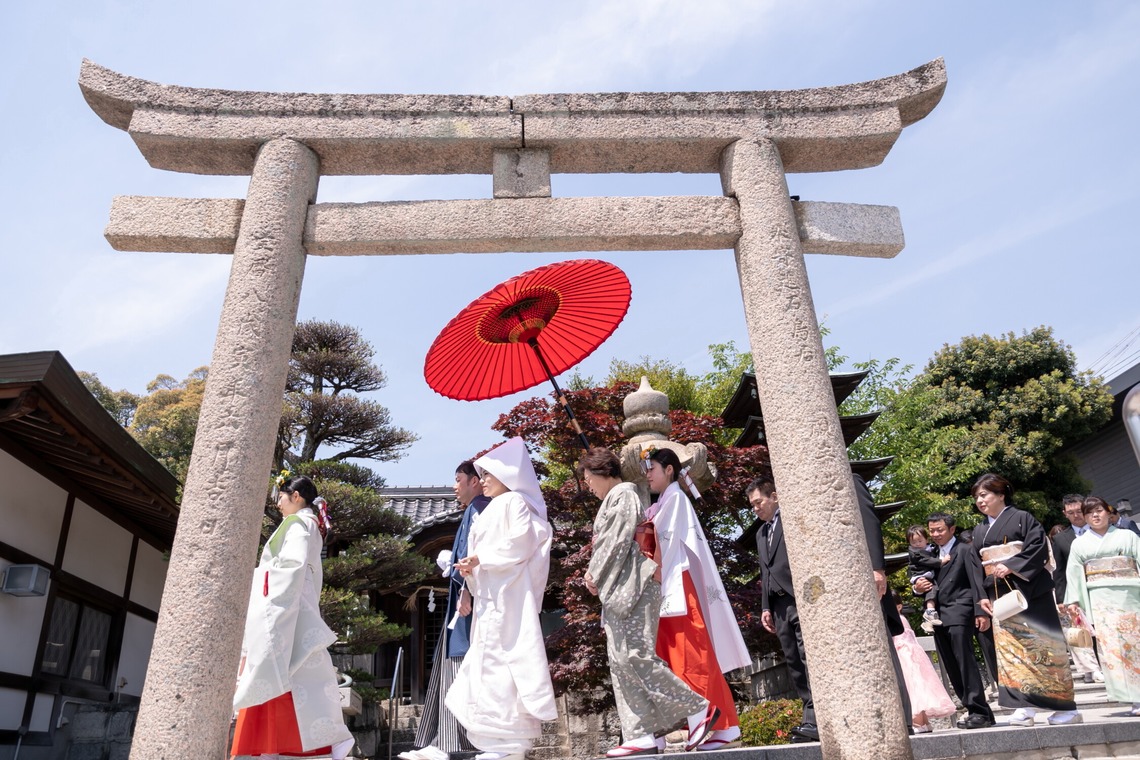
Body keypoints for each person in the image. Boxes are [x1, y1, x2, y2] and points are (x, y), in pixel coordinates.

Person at [578, 448, 711, 757]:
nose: (588, 486)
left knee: (636, 656)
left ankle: (696, 708)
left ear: (603, 473)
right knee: (621, 662)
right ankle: (640, 732)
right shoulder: (620, 496)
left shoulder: (623, 493)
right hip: (622, 589)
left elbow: (617, 538)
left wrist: (594, 572)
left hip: (634, 588)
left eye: (588, 479)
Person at [445, 437, 557, 760]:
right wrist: (472, 572)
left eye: (490, 474)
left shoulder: (516, 504)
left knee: (506, 663)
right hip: (492, 600)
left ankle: (509, 742)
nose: (485, 480)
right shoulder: (496, 507)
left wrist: (480, 560)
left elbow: (519, 544)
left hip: (509, 599)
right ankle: (496, 741)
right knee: (487, 664)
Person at [231, 474, 355, 760]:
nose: (278, 503)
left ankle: (277, 750)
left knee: (279, 670)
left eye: (281, 496)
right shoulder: (309, 524)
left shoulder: (299, 524)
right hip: (296, 605)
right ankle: (300, 747)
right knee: (298, 677)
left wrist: (257, 577)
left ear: (296, 496)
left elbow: (291, 568)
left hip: (289, 607)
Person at [645, 448, 748, 750]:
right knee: (686, 654)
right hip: (672, 585)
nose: (648, 474)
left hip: (678, 584)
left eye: (652, 468)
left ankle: (705, 719)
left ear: (668, 470)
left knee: (690, 653)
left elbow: (657, 539)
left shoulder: (674, 500)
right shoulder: (666, 502)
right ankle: (724, 725)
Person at [972, 473, 1080, 727]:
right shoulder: (978, 531)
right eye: (977, 496)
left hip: (1032, 592)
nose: (980, 500)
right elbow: (975, 565)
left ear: (1001, 495)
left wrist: (1010, 565)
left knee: (1044, 647)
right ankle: (1025, 707)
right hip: (998, 593)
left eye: (984, 494)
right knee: (1012, 652)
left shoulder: (1022, 518)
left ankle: (1065, 707)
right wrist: (980, 597)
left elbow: (1038, 548)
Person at [402, 462, 492, 760]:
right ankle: (442, 740)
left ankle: (453, 741)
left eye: (459, 480)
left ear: (476, 482)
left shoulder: (479, 508)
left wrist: (465, 588)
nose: (455, 486)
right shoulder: (480, 508)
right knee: (452, 664)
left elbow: (471, 553)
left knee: (458, 666)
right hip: (466, 596)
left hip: (467, 601)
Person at [747, 476, 816, 743]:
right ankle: (809, 716)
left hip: (799, 598)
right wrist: (765, 606)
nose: (755, 508)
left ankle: (817, 717)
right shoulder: (760, 533)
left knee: (808, 655)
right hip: (778, 606)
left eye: (758, 502)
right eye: (751, 505)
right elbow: (764, 571)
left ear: (774, 496)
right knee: (794, 661)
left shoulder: (793, 520)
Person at [912, 512, 995, 730]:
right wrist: (917, 587)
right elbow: (921, 580)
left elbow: (977, 581)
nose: (936, 534)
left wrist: (981, 611)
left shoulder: (965, 549)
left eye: (940, 529)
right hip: (937, 615)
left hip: (961, 609)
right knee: (950, 664)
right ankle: (974, 709)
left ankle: (980, 710)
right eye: (932, 531)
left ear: (952, 529)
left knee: (964, 661)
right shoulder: (928, 553)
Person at [1064, 496, 1140, 716]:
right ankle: (1132, 698)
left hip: (1131, 594)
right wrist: (1074, 602)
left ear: (1108, 512)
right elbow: (1075, 575)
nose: (1095, 516)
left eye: (1099, 511)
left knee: (1136, 643)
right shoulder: (1079, 543)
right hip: (1100, 600)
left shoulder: (1127, 536)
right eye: (1090, 513)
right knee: (1112, 649)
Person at [1050, 494, 1103, 685]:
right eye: (1070, 513)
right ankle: (1092, 668)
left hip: (1100, 587)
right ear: (1065, 514)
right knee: (1083, 630)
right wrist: (1061, 598)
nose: (1076, 516)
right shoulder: (1061, 539)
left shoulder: (1100, 531)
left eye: (1079, 511)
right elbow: (1059, 571)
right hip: (1076, 592)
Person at [888, 590, 957, 733]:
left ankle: (918, 723)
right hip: (912, 656)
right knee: (918, 689)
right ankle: (924, 722)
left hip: (905, 656)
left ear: (899, 606)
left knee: (913, 690)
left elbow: (900, 640)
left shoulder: (899, 619)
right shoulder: (902, 619)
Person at [906, 525, 948, 631]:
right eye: (914, 542)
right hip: (920, 575)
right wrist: (941, 562)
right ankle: (930, 611)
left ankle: (928, 621)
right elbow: (927, 561)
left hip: (926, 575)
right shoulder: (916, 553)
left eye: (920, 541)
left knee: (931, 589)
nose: (917, 544)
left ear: (926, 539)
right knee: (931, 588)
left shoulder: (931, 548)